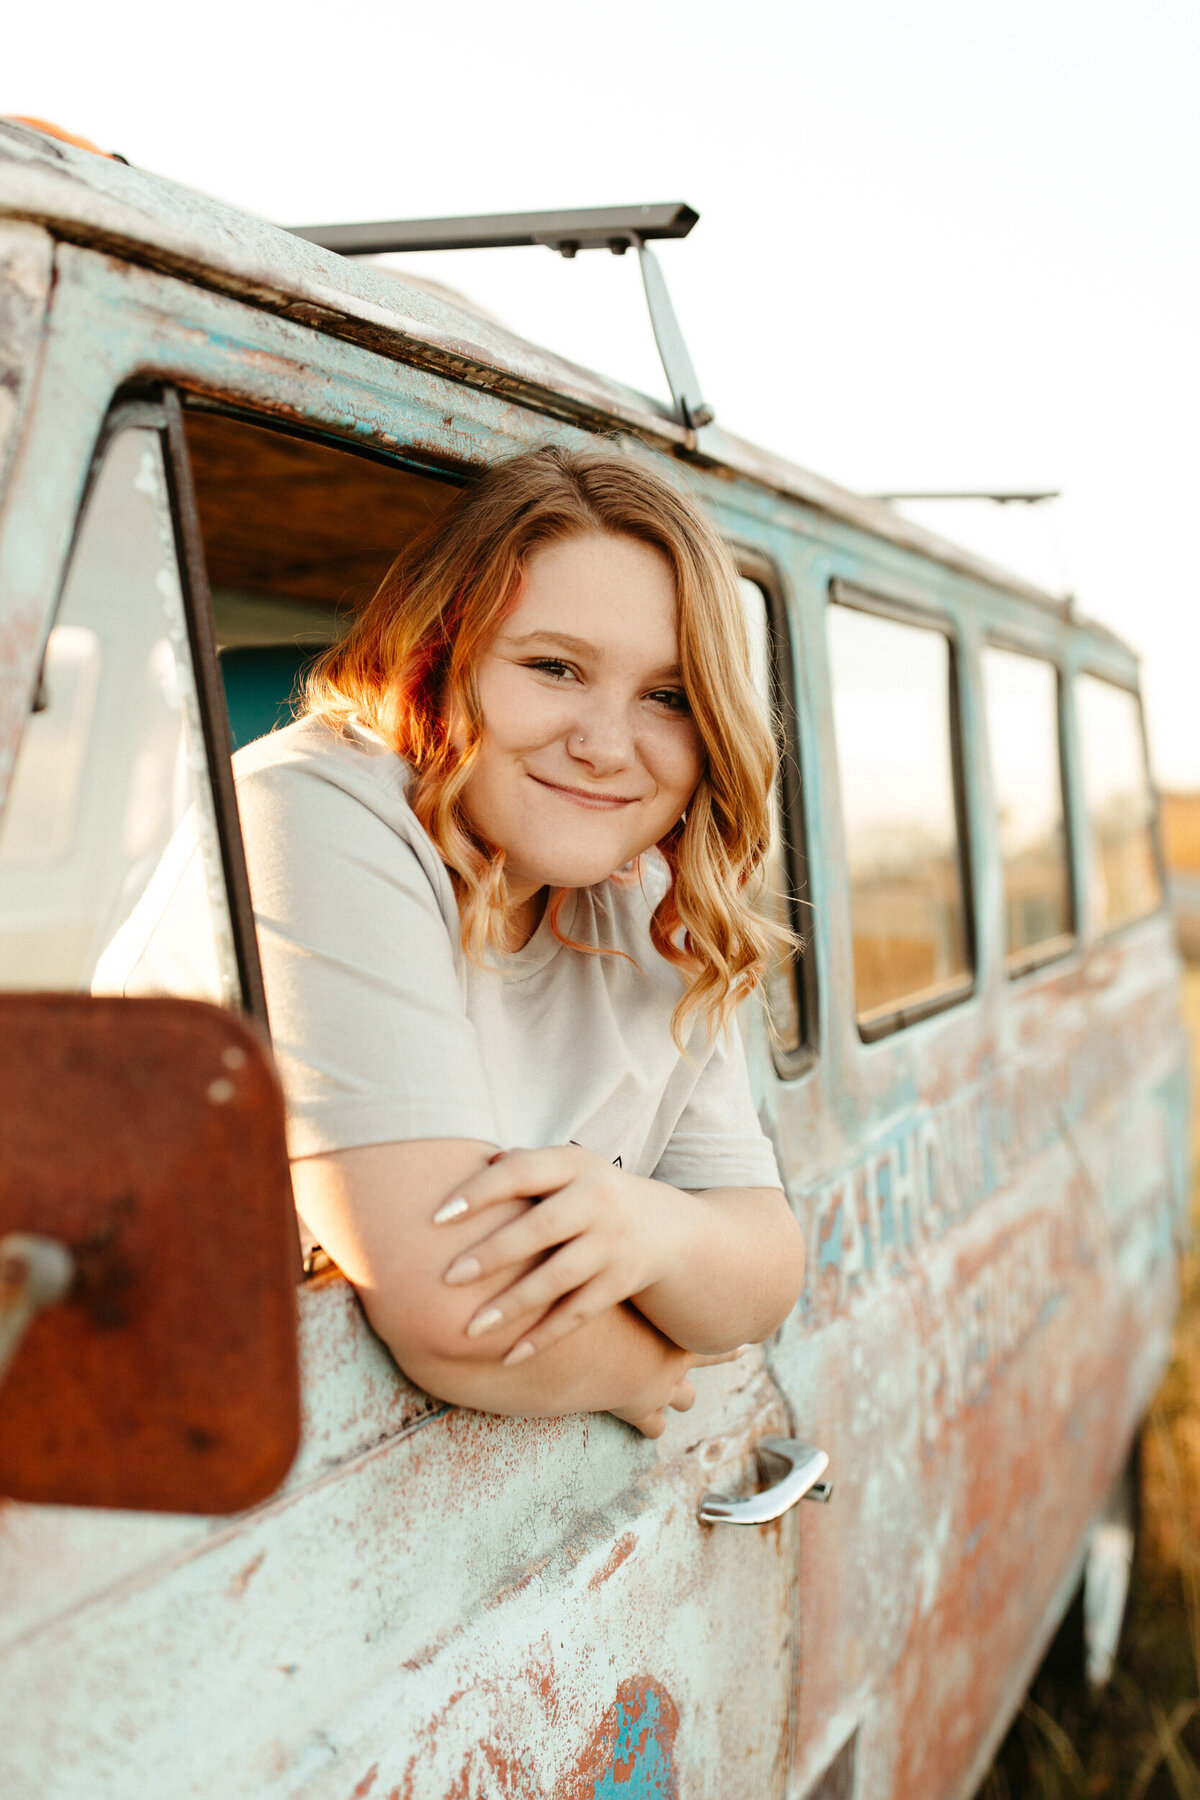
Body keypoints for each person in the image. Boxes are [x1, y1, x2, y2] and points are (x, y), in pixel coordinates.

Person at [111, 443, 807, 1437]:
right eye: (554, 668)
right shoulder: (305, 813)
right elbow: (459, 1305)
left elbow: (766, 1267)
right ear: (440, 658)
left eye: (670, 695)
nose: (607, 745)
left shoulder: (648, 894)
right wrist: (649, 1362)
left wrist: (647, 1225)